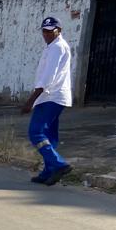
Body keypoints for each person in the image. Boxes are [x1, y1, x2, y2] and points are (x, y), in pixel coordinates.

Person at [21, 16, 73, 186]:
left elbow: (48, 77)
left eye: (51, 31)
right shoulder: (52, 47)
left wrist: (31, 100)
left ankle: (59, 164)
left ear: (59, 31)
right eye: (44, 31)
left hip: (50, 96)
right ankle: (48, 171)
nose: (47, 34)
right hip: (53, 96)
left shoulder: (57, 47)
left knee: (36, 132)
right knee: (49, 136)